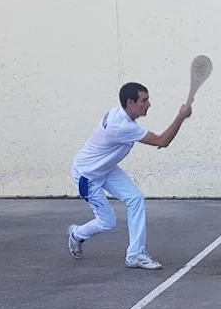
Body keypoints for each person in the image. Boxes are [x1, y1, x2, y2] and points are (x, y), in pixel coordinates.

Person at [67, 82, 193, 269]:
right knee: (107, 222)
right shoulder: (121, 126)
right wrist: (181, 117)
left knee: (135, 197)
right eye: (144, 101)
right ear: (130, 103)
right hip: (87, 175)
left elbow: (158, 141)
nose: (148, 104)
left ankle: (135, 255)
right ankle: (76, 233)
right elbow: (162, 141)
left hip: (106, 168)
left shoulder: (119, 113)